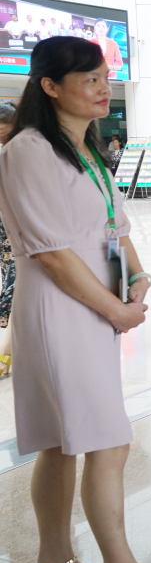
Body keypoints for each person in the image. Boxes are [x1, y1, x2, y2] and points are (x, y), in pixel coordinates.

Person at [0, 36, 151, 563]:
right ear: (50, 86)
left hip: (94, 304)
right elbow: (53, 254)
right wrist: (116, 310)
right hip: (59, 307)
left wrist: (137, 276)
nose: (103, 88)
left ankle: (55, 560)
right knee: (108, 440)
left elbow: (115, 228)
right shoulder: (29, 150)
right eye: (89, 79)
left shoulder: (88, 150)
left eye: (105, 78)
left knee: (62, 440)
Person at [0, 103, 17, 380]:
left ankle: (6, 354)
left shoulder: (25, 152)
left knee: (16, 292)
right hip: (4, 235)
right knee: (12, 288)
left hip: (22, 236)